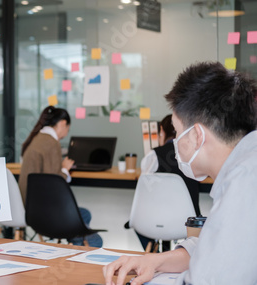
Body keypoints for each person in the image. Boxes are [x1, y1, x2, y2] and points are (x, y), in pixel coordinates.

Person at [103, 62, 257, 285]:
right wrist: (156, 261)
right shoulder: (244, 166)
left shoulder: (245, 181)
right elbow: (220, 244)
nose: (174, 142)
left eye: (176, 131)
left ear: (196, 135)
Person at [18, 106, 102, 247]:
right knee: (96, 239)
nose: (67, 132)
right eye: (68, 128)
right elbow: (54, 184)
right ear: (63, 123)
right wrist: (65, 169)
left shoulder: (37, 138)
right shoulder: (52, 142)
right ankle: (76, 242)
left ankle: (73, 241)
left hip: (30, 208)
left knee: (85, 214)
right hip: (45, 212)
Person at [134, 114, 201, 252]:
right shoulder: (195, 154)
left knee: (139, 221)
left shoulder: (154, 155)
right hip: (189, 222)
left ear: (162, 131)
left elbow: (145, 185)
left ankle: (155, 253)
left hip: (155, 221)